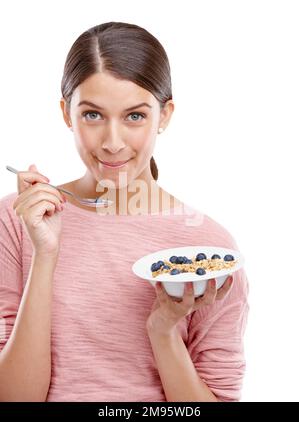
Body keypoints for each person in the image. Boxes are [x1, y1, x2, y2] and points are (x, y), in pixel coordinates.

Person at [0, 21, 249, 402]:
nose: (113, 143)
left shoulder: (210, 249)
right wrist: (45, 255)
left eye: (134, 116)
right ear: (67, 114)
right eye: (93, 115)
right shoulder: (19, 221)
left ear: (163, 116)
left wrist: (163, 331)